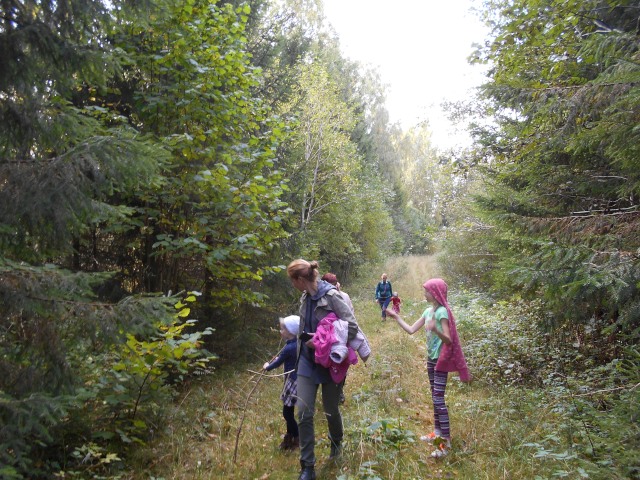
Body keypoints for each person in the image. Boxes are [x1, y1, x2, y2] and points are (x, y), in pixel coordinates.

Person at [287, 259, 359, 480]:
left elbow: (352, 328)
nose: (293, 285)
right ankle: (307, 466)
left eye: (292, 281)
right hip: (307, 361)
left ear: (300, 279)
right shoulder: (304, 297)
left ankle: (336, 443)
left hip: (330, 363)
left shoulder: (332, 297)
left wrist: (322, 341)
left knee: (330, 410)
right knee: (304, 412)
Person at [385, 278, 470, 458]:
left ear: (435, 293)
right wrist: (397, 317)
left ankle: (445, 442)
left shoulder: (442, 312)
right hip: (431, 360)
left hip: (441, 361)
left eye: (427, 291)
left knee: (438, 399)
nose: (424, 294)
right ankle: (437, 433)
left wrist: (436, 330)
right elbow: (411, 330)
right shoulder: (427, 311)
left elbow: (448, 339)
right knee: (434, 397)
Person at [263, 315, 300, 451]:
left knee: (287, 413)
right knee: (289, 410)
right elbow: (285, 358)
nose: (281, 331)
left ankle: (297, 436)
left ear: (291, 331)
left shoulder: (289, 348)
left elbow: (276, 364)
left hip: (292, 382)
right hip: (297, 381)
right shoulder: (296, 344)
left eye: (283, 329)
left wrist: (267, 366)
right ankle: (290, 436)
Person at [321, 272, 352, 405]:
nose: (334, 286)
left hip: (342, 336)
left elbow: (351, 315)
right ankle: (330, 392)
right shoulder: (320, 298)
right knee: (327, 364)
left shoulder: (344, 296)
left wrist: (349, 335)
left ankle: (339, 391)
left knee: (342, 363)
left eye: (334, 284)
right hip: (326, 337)